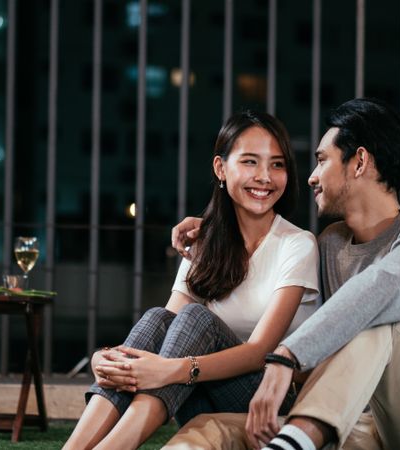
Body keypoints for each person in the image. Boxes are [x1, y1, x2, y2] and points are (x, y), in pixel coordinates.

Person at [167, 98, 400, 450]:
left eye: (322, 160)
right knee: (211, 427)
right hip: (363, 423)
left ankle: (295, 443)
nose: (311, 176)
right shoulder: (332, 244)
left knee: (375, 320)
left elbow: (388, 285)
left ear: (359, 162)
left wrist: (286, 355)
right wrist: (220, 228)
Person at [62, 110, 320, 450]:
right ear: (220, 169)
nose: (264, 177)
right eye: (250, 162)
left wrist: (170, 371)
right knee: (158, 318)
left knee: (198, 318)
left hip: (272, 396)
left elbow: (260, 353)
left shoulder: (297, 244)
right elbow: (166, 328)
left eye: (277, 164)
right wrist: (107, 358)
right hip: (200, 392)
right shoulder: (203, 242)